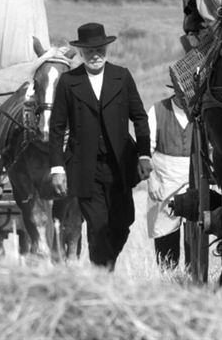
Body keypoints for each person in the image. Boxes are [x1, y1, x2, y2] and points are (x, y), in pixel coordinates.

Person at [49, 22, 152, 270]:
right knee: (96, 225)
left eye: (99, 50)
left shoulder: (122, 76)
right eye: (89, 51)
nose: (95, 55)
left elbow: (139, 117)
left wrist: (144, 154)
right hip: (85, 167)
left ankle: (105, 265)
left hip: (119, 165)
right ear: (81, 53)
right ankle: (101, 273)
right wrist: (57, 168)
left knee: (122, 223)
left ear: (106, 49)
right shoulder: (68, 82)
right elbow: (57, 127)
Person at [145, 94, 192, 270]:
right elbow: (144, 150)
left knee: (194, 237)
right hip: (164, 182)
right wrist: (151, 179)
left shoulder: (202, 110)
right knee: (165, 239)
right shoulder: (158, 110)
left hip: (194, 183)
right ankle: (168, 281)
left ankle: (192, 281)